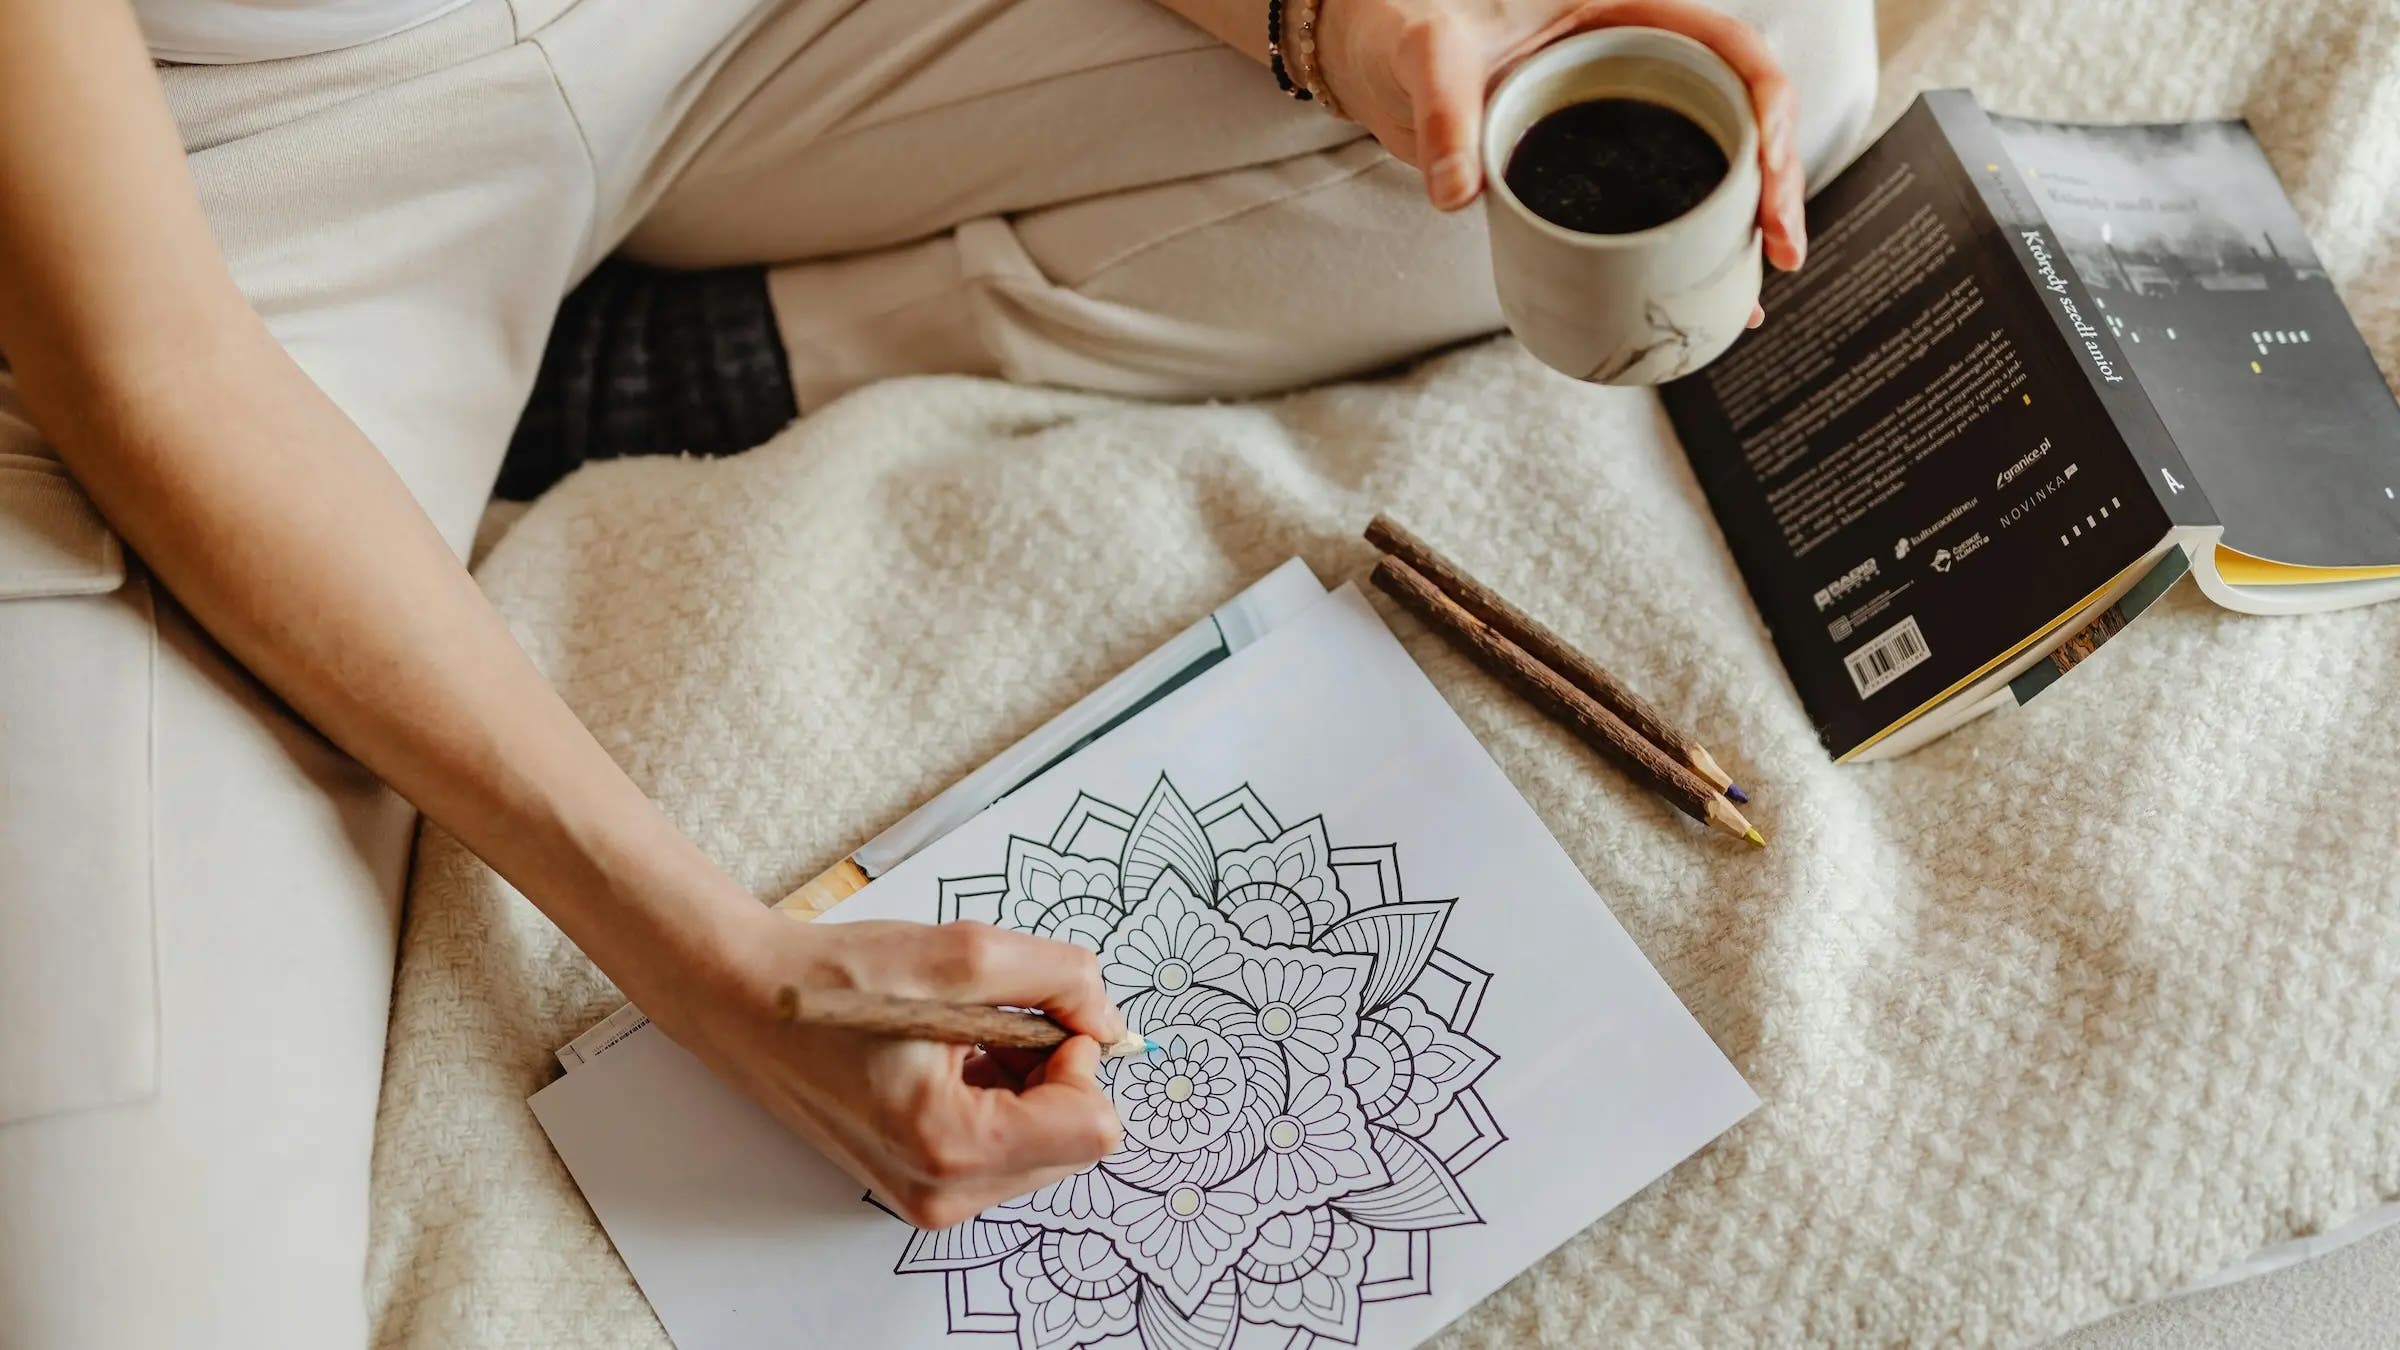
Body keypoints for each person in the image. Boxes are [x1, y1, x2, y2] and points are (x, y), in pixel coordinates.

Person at [0, 0, 1874, 1343]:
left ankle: (716, 356)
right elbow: (148, 368)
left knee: (1745, 45)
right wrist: (714, 962)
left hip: (753, 41)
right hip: (207, 224)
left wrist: (1320, 26)